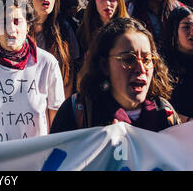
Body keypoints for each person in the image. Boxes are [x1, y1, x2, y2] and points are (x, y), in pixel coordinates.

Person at [0, 0, 65, 141]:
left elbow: (58, 125)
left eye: (17, 21)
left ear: (28, 26)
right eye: (2, 22)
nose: (11, 29)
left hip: (37, 159)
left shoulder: (47, 64)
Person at [50, 17, 181, 133]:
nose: (141, 69)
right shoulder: (78, 111)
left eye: (147, 60)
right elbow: (55, 158)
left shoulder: (165, 113)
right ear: (104, 65)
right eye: (128, 59)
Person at [26, 0, 80, 98]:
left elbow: (69, 73)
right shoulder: (19, 29)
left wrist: (61, 109)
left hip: (57, 100)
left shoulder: (64, 29)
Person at [162, 6, 193, 122]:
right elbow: (159, 106)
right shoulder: (162, 63)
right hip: (175, 127)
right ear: (174, 31)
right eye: (186, 27)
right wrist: (188, 121)